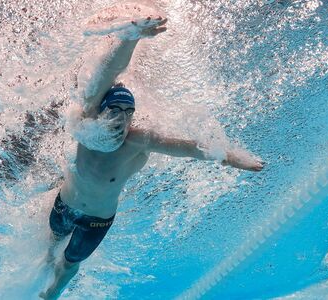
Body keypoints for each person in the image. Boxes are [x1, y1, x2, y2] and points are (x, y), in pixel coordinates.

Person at [39, 5, 264, 299]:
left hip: (96, 220)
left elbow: (190, 149)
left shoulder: (139, 140)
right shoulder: (87, 123)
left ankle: (52, 293)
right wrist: (131, 37)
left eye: (128, 113)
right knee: (52, 245)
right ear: (101, 111)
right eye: (115, 110)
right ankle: (45, 262)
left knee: (69, 265)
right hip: (64, 204)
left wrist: (234, 158)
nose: (121, 119)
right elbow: (107, 72)